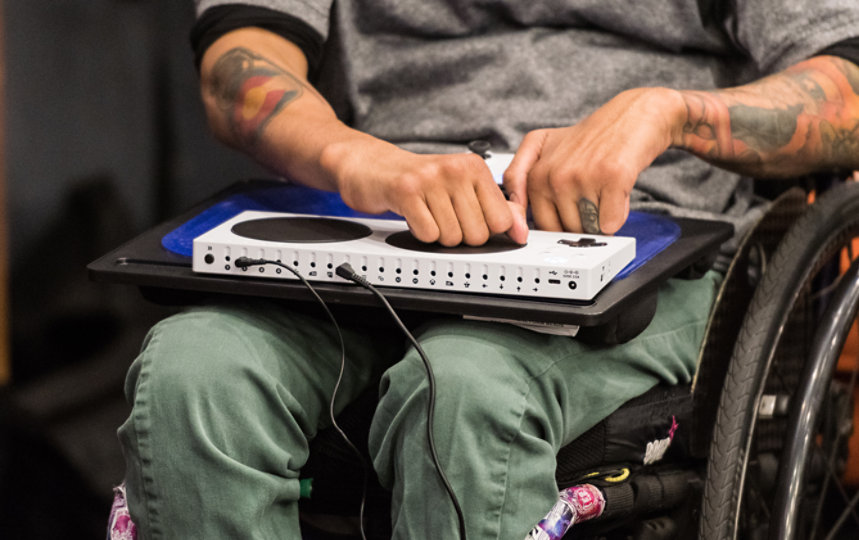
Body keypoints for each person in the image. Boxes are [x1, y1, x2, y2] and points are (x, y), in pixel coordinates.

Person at [116, 1, 859, 538]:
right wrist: (355, 157)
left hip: (647, 242)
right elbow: (236, 66)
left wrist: (671, 114)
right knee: (193, 375)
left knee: (466, 392)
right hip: (372, 226)